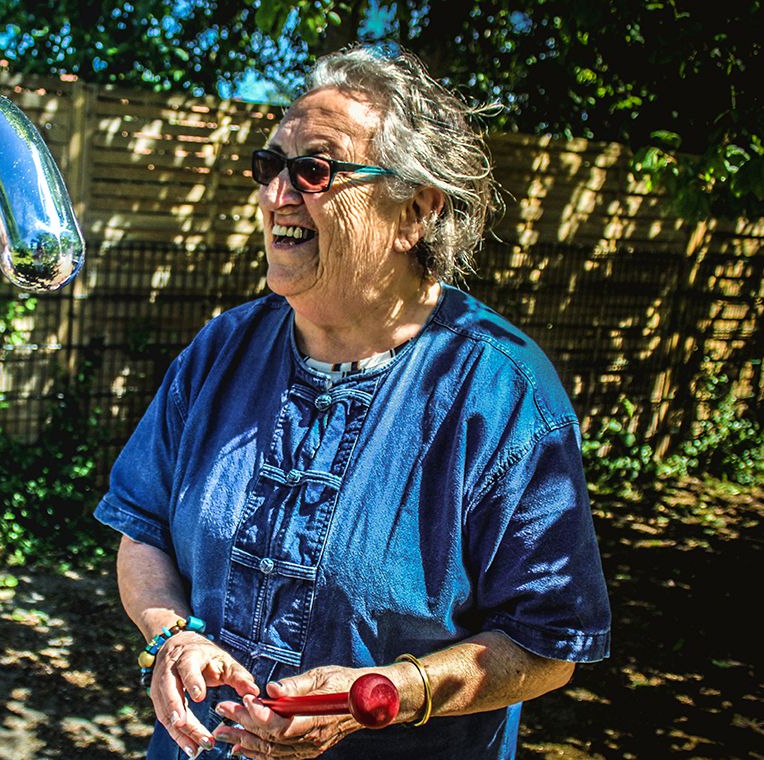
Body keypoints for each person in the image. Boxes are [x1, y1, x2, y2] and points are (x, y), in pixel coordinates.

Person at [95, 44, 611, 759]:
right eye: (269, 167)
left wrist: (384, 694)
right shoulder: (222, 350)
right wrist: (171, 634)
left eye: (315, 170)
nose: (279, 195)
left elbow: (548, 645)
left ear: (415, 212)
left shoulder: (500, 391)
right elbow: (143, 531)